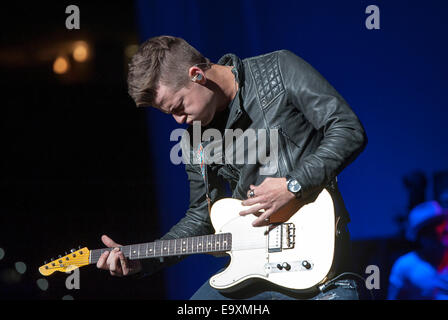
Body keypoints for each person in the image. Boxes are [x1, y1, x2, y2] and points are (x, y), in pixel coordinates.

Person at [96, 35, 367, 300]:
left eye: (178, 106)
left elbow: (348, 129)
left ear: (197, 75)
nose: (178, 120)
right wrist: (144, 261)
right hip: (256, 274)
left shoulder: (279, 70)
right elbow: (200, 217)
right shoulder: (194, 140)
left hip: (320, 267)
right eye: (169, 114)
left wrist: (293, 185)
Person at [388, 201, 448, 300]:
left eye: (441, 223)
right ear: (420, 236)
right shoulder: (405, 265)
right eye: (431, 229)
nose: (440, 230)